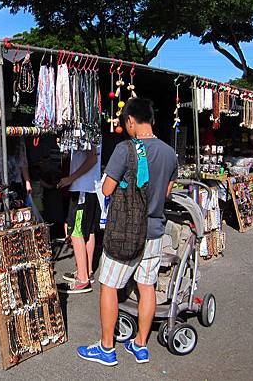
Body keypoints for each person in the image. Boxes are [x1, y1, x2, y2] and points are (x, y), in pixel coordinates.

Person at [77, 98, 178, 366]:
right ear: (152, 120)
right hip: (155, 231)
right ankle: (141, 346)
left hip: (125, 232)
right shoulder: (170, 153)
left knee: (109, 286)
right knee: (147, 287)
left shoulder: (125, 150)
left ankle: (107, 348)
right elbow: (166, 193)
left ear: (131, 121)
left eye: (126, 123)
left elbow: (107, 189)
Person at [57, 145, 101, 294]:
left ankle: (83, 279)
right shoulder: (93, 130)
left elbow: (92, 158)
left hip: (82, 187)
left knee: (76, 231)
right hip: (90, 188)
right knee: (89, 231)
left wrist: (71, 178)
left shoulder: (85, 129)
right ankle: (86, 271)